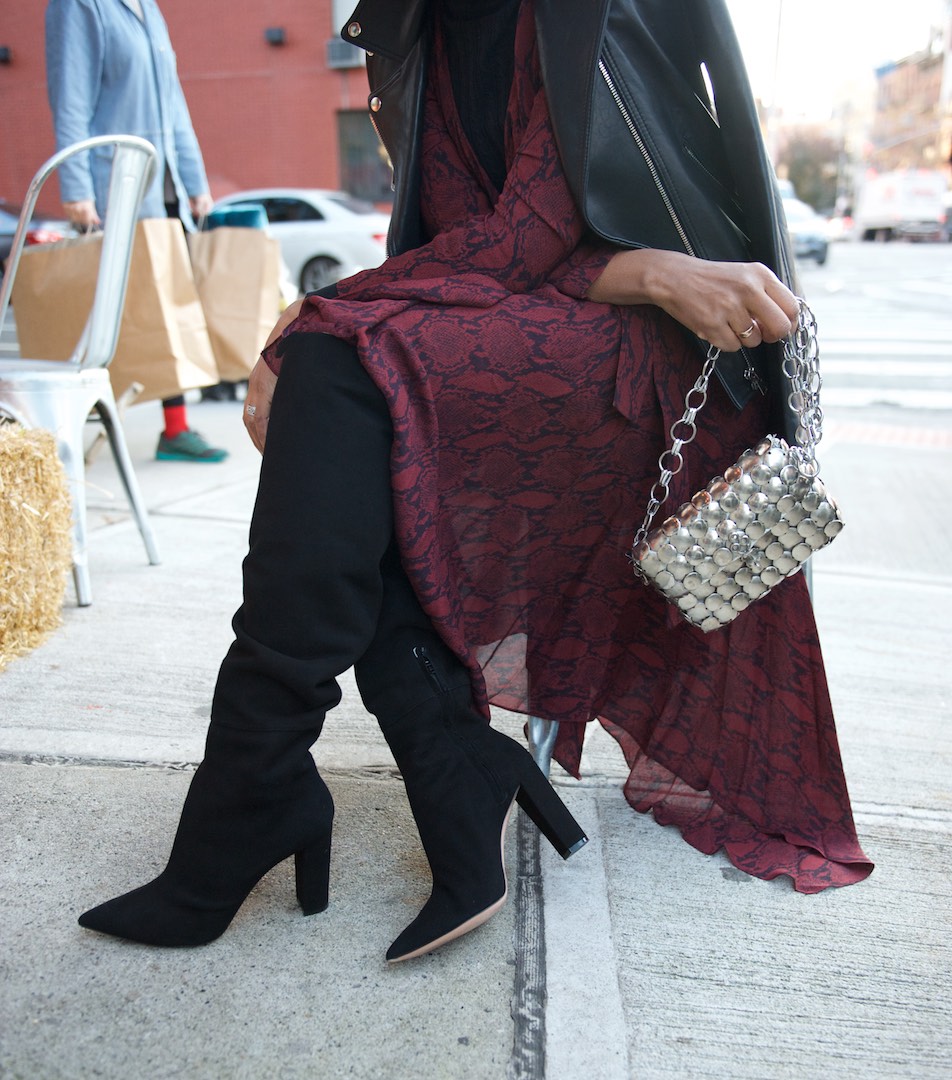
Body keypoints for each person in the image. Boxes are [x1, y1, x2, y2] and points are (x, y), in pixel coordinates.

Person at [76, 0, 873, 962]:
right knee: (351, 390)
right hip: (579, 313)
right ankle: (433, 772)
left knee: (342, 369)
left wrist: (313, 317)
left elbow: (552, 229)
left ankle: (272, 792)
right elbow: (465, 243)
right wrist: (327, 321)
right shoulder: (427, 21)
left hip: (672, 365)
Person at [45, 0, 228, 463]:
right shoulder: (81, 6)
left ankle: (175, 429)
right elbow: (71, 97)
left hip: (161, 187)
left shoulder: (147, 7)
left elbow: (174, 103)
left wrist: (194, 179)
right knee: (110, 313)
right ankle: (72, 422)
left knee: (168, 307)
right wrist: (77, 188)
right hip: (115, 190)